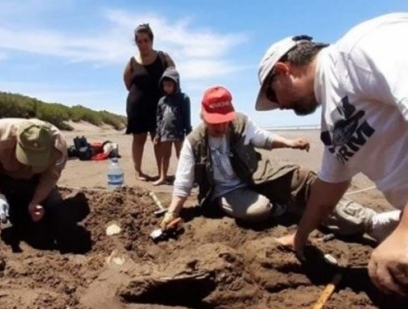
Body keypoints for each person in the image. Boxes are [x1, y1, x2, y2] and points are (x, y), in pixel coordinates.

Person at [255, 13, 408, 296]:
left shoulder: (361, 50)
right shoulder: (332, 118)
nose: (280, 106)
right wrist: (300, 238)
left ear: (283, 70)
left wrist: (405, 234)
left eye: (273, 96)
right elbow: (329, 187)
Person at [161, 86, 385, 242]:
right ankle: (294, 210)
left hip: (256, 175)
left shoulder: (240, 122)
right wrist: (171, 213)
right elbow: (183, 184)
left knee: (306, 179)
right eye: (215, 123)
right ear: (203, 115)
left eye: (224, 121)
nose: (221, 127)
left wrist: (289, 142)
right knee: (261, 209)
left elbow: (263, 138)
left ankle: (367, 220)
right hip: (226, 191)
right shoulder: (193, 142)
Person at [0, 118, 67, 228]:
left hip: (33, 180)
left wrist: (35, 203)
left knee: (56, 209)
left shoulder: (58, 146)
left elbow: (49, 178)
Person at [124, 23, 175, 181]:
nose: (143, 44)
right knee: (138, 139)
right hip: (137, 106)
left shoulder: (163, 57)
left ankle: (162, 174)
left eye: (146, 40)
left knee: (158, 139)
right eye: (139, 41)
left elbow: (174, 78)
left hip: (159, 106)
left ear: (151, 41)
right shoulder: (132, 61)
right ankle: (138, 172)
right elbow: (127, 83)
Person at [153, 66, 191, 186]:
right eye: (165, 85)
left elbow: (187, 116)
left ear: (176, 84)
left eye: (169, 85)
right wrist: (158, 134)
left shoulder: (184, 98)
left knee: (181, 156)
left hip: (179, 132)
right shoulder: (162, 101)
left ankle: (185, 178)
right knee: (165, 156)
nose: (166, 88)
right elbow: (159, 119)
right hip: (165, 133)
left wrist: (188, 132)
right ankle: (163, 177)